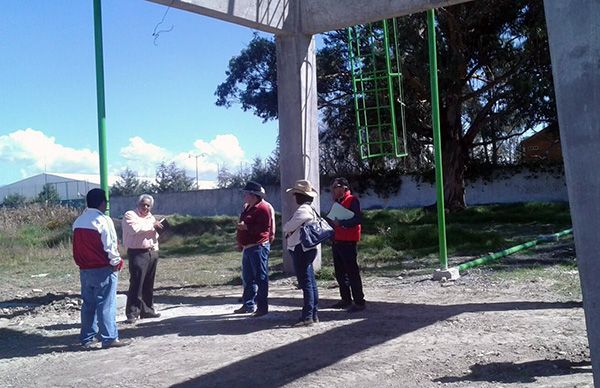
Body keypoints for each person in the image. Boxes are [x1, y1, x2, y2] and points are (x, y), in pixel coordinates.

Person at [72, 188, 130, 349]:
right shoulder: (103, 220)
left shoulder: (78, 222)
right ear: (103, 202)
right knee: (106, 304)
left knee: (88, 305)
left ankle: (87, 338)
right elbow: (110, 245)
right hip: (103, 268)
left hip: (85, 269)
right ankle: (109, 337)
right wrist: (116, 262)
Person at [282, 179, 320, 327]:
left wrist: (288, 227)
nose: (294, 197)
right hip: (307, 249)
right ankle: (313, 314)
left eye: (296, 194)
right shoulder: (310, 208)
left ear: (301, 195)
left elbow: (288, 226)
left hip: (301, 249)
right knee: (310, 282)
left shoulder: (303, 210)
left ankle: (308, 316)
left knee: (306, 283)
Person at [122, 194, 164, 324]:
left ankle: (147, 310)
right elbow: (135, 229)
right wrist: (153, 225)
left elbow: (154, 233)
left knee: (148, 283)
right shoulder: (130, 215)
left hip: (151, 252)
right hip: (137, 253)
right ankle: (132, 313)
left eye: (148, 205)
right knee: (136, 283)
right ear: (138, 204)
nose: (145, 207)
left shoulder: (151, 217)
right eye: (143, 204)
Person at [326, 177, 366, 312]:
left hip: (348, 242)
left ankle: (359, 302)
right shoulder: (338, 202)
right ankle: (346, 299)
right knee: (340, 273)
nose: (333, 191)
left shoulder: (352, 200)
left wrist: (342, 223)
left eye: (335, 188)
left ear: (343, 188)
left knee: (352, 273)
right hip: (337, 241)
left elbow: (358, 219)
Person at [234, 181, 273, 317]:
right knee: (248, 277)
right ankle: (248, 304)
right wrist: (240, 241)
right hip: (248, 247)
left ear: (253, 195)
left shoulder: (263, 208)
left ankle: (262, 307)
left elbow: (263, 229)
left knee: (260, 277)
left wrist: (246, 228)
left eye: (246, 193)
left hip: (258, 246)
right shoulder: (247, 208)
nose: (244, 196)